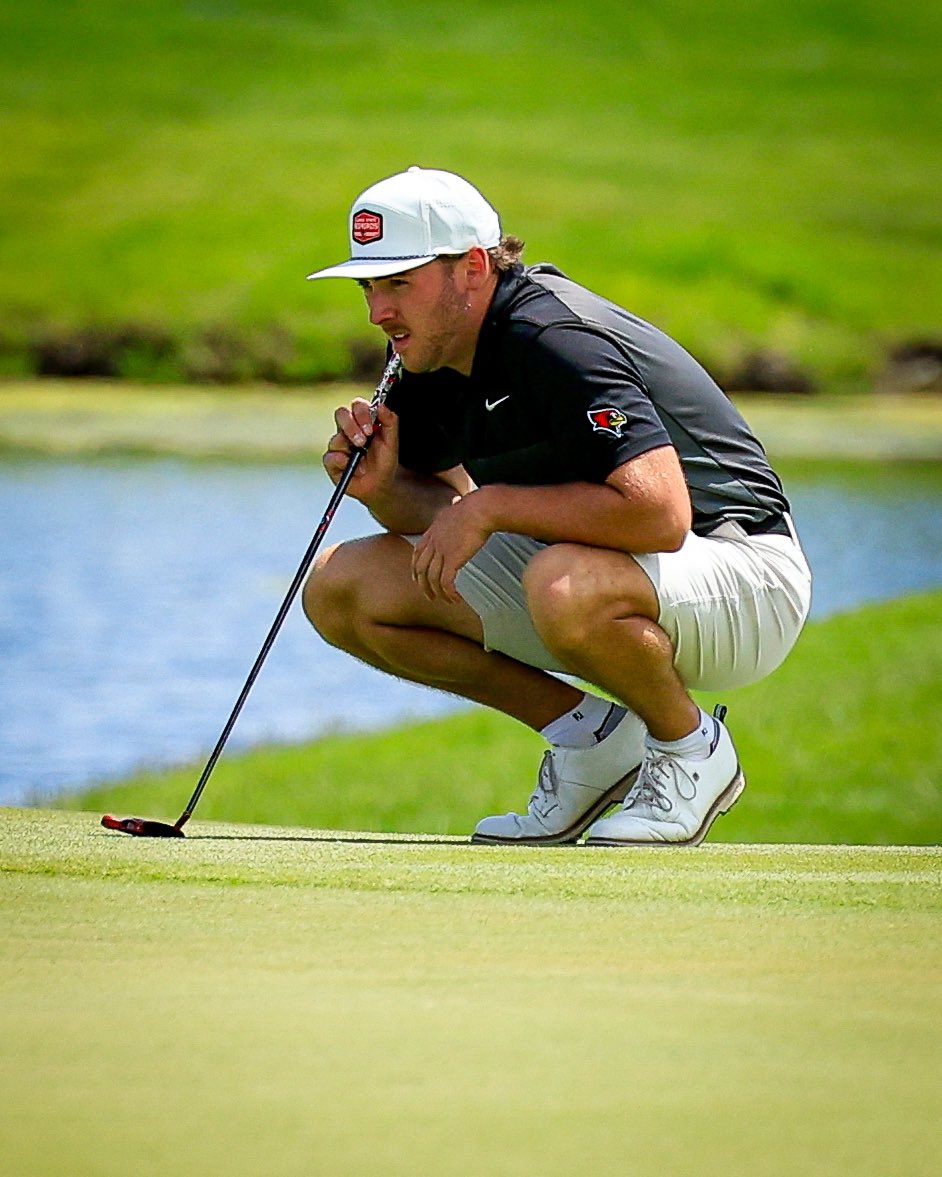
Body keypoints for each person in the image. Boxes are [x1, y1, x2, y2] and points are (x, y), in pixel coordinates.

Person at [302, 166, 812, 846]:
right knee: (341, 587)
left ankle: (691, 748)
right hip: (611, 568)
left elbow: (661, 515)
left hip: (748, 571)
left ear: (473, 268)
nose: (377, 311)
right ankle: (592, 740)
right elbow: (445, 518)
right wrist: (386, 489)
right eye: (369, 286)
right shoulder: (427, 355)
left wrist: (491, 507)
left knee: (561, 581)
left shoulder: (552, 337)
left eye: (400, 282)